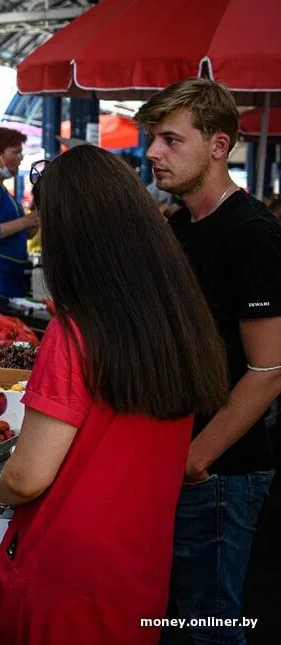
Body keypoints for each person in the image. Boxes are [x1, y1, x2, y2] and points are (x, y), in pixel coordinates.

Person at [0, 145, 229, 644]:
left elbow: (29, 476)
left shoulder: (76, 333)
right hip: (138, 572)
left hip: (64, 577)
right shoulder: (178, 324)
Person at [135, 78, 281, 645]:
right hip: (178, 462)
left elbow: (269, 371)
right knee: (175, 620)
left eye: (170, 140)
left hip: (221, 473)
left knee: (209, 626)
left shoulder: (251, 234)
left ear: (219, 146)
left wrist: (197, 457)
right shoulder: (179, 228)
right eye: (153, 138)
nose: (153, 152)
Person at [0, 127, 38, 309]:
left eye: (21, 153)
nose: (20, 158)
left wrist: (31, 227)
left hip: (5, 281)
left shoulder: (5, 193)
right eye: (15, 153)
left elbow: (17, 234)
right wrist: (24, 222)